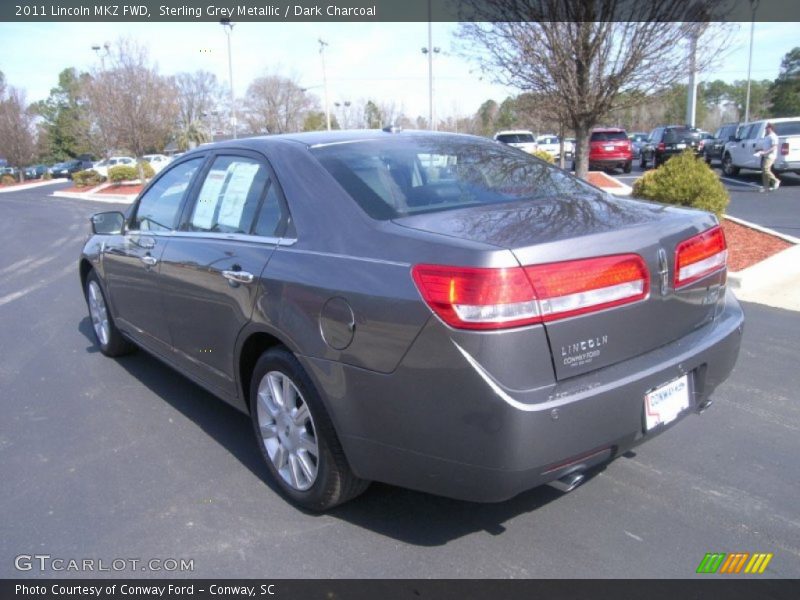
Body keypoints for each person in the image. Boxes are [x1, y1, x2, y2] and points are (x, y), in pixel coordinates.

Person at [759, 123, 781, 193]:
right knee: (764, 171)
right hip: (765, 155)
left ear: (770, 128)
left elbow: (774, 147)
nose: (766, 129)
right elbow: (766, 146)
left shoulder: (773, 136)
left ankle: (776, 180)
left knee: (766, 169)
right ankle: (766, 187)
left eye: (767, 128)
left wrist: (766, 152)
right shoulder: (767, 136)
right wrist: (760, 151)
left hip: (770, 156)